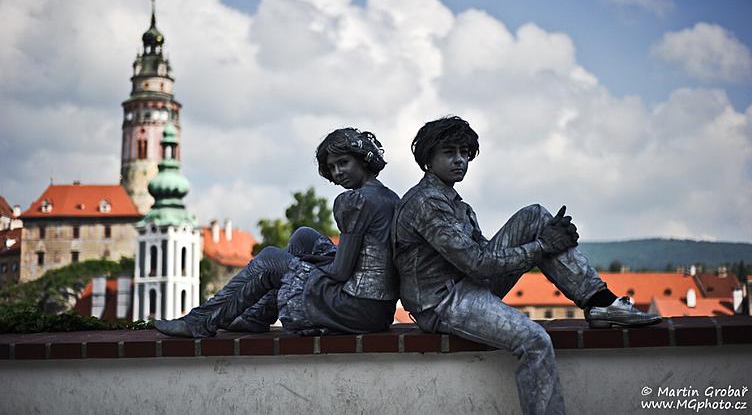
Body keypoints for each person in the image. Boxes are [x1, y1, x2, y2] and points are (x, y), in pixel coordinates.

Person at [392, 116, 660, 415]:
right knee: (535, 341)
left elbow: (480, 254)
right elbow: (478, 263)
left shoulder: (455, 202)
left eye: (465, 153)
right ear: (428, 158)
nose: (460, 160)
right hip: (442, 302)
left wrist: (545, 240)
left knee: (535, 215)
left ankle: (601, 302)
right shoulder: (427, 203)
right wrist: (544, 246)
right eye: (449, 152)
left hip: (468, 285)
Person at [155, 128, 400, 338]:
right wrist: (302, 263)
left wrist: (297, 265)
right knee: (304, 237)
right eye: (332, 167)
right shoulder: (389, 197)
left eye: (343, 162)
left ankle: (199, 322)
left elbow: (341, 271)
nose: (337, 172)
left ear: (363, 159)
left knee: (272, 258)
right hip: (379, 311)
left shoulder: (355, 201)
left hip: (355, 308)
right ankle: (256, 315)